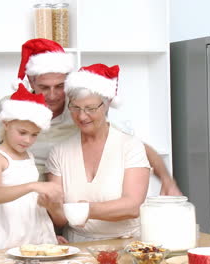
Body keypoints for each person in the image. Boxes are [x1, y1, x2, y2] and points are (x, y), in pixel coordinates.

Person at [15, 38, 181, 196]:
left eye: (59, 86)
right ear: (31, 80)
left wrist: (168, 181)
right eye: (44, 87)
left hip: (66, 197)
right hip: (22, 198)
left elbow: (136, 146)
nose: (52, 95)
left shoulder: (80, 110)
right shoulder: (14, 108)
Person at [42, 63, 151, 242]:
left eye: (90, 109)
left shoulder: (130, 146)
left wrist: (86, 210)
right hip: (77, 247)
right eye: (75, 108)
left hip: (125, 244)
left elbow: (132, 206)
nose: (82, 116)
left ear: (107, 104)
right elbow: (60, 219)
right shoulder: (59, 153)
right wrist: (51, 207)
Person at [0, 85, 62, 250]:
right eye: (22, 132)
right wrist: (33, 186)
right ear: (6, 124)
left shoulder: (29, 156)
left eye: (34, 135)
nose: (27, 141)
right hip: (8, 235)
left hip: (33, 233)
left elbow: (31, 200)